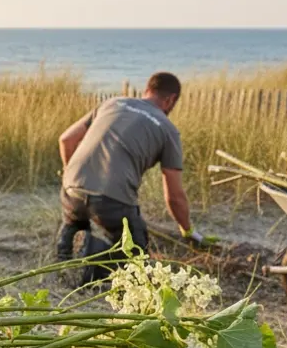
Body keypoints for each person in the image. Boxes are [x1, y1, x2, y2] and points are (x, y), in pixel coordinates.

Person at [55, 72, 205, 273]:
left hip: (71, 189)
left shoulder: (112, 103)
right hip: (112, 202)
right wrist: (187, 230)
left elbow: (66, 139)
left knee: (74, 222)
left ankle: (64, 257)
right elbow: (175, 197)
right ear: (170, 100)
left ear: (147, 91)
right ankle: (91, 268)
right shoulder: (168, 130)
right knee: (136, 253)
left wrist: (69, 175)